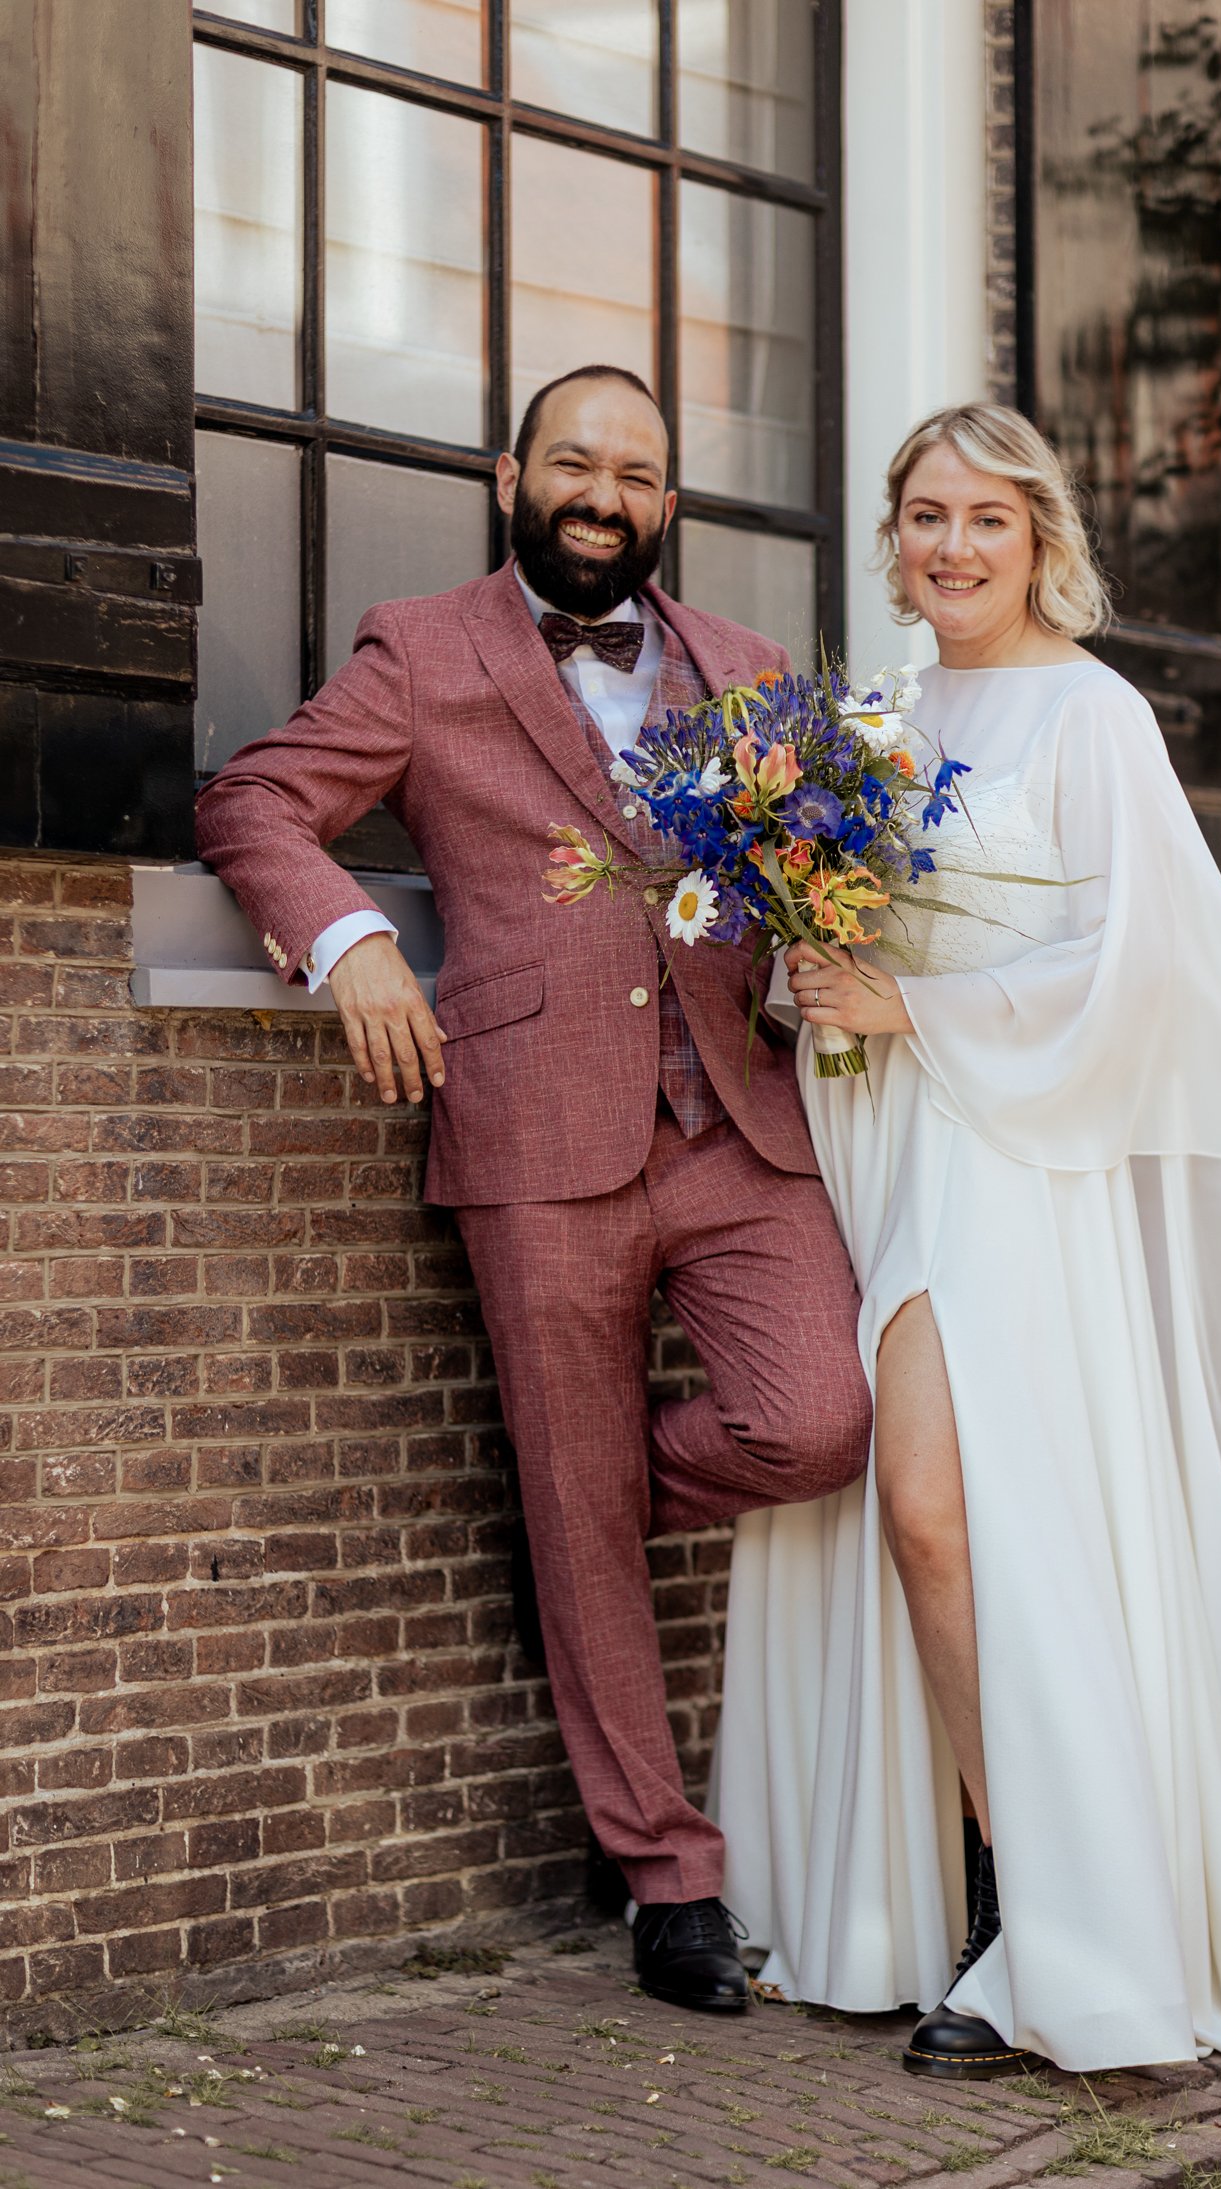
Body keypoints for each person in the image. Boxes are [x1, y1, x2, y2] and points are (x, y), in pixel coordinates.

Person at [711, 402, 1221, 2078]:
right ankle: (981, 1890)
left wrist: (919, 1006)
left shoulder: (1098, 718)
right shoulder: (870, 721)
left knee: (938, 1509)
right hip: (888, 1138)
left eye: (986, 520)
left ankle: (1042, 1909)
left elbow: (1144, 969)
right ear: (895, 539)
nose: (952, 546)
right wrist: (815, 972)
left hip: (1024, 1150)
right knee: (926, 1519)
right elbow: (835, 940)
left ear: (1039, 540)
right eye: (926, 516)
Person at [195, 363, 871, 2015]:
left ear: (667, 505)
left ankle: (577, 1525)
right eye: (573, 463)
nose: (602, 497)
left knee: (821, 1420)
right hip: (531, 1135)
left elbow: (809, 882)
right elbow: (252, 797)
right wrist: (351, 937)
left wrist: (828, 953)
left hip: (742, 1128)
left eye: (635, 476)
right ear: (512, 479)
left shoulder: (752, 672)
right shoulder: (423, 649)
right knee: (583, 1509)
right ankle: (669, 1879)